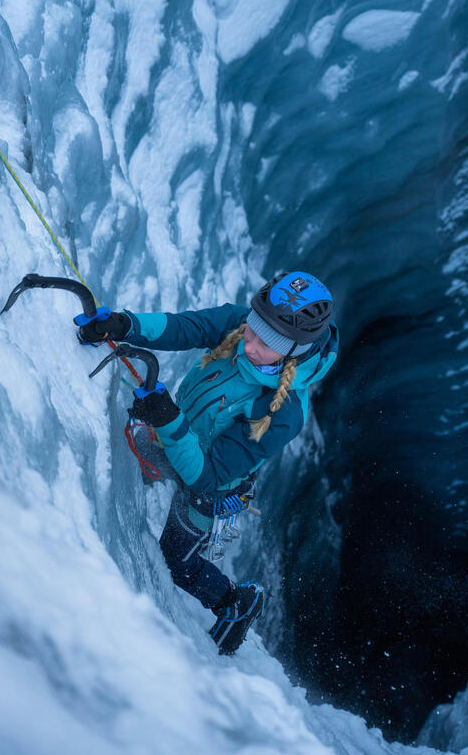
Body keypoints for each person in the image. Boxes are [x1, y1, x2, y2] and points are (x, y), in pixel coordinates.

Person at [78, 271, 338, 655]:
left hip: (213, 489)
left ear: (294, 352)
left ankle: (235, 602)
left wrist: (166, 418)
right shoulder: (247, 325)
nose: (249, 345)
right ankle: (156, 463)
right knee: (143, 450)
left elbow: (206, 476)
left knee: (176, 561)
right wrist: (126, 324)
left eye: (267, 344)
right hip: (183, 437)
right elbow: (187, 327)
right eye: (251, 330)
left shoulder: (281, 413)